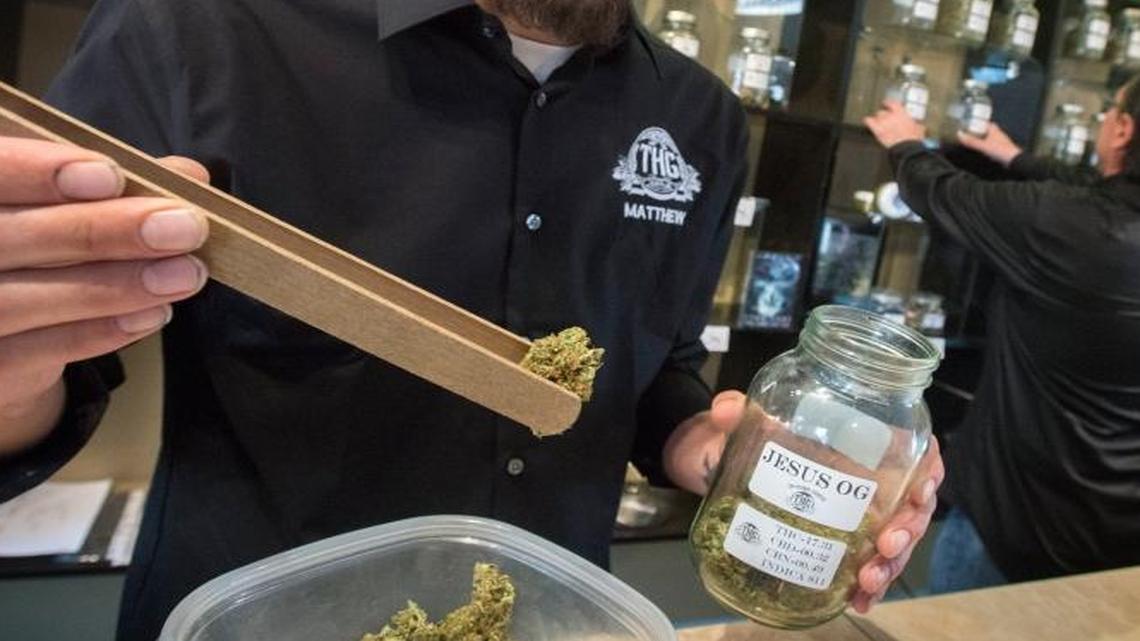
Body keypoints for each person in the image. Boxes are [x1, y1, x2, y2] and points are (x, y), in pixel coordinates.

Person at [0, 2, 941, 637]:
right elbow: (53, 367)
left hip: (551, 616)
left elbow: (656, 368)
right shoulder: (200, 27)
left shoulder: (699, 117)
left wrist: (715, 446)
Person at [865, 79, 1140, 594]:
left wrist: (905, 144)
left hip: (1014, 524)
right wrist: (1014, 157)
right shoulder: (1085, 216)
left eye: (1110, 111)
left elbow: (948, 195)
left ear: (1123, 128)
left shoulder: (1067, 223)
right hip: (1122, 541)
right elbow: (1090, 187)